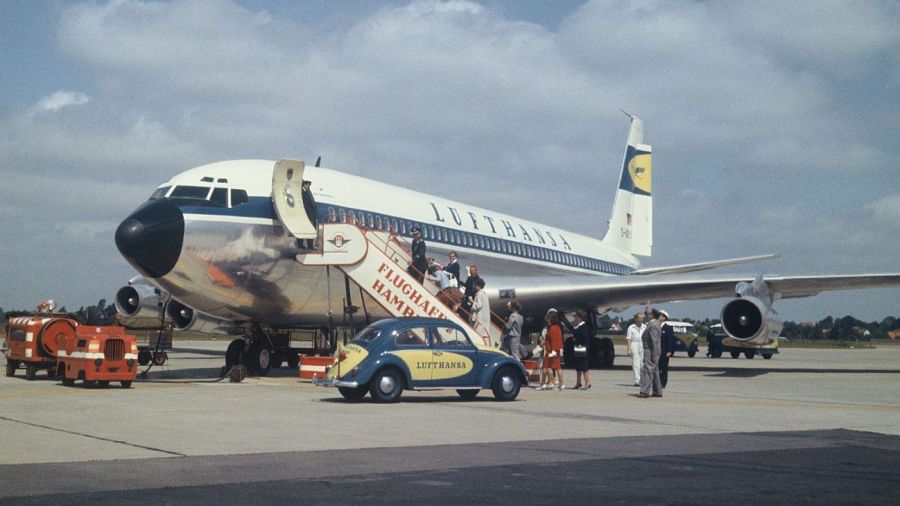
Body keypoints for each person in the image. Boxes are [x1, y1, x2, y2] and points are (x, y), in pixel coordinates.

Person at [639, 309, 665, 398]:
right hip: (653, 350)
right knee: (655, 371)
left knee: (647, 370)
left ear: (652, 315)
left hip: (650, 350)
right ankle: (657, 391)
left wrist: (654, 354)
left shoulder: (653, 325)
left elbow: (654, 340)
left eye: (648, 313)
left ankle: (645, 391)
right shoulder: (655, 323)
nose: (647, 315)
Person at [540, 311, 565, 390]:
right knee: (557, 367)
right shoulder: (557, 327)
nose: (547, 320)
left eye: (548, 319)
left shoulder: (552, 328)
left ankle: (550, 382)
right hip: (556, 349)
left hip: (551, 350)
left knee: (548, 366)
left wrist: (553, 351)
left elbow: (553, 340)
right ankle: (561, 384)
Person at [571, 309, 592, 390]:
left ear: (580, 318)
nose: (575, 319)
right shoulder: (578, 326)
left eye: (576, 317)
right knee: (578, 367)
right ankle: (578, 383)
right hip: (578, 349)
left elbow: (585, 338)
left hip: (583, 349)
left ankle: (587, 382)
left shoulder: (583, 327)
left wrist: (576, 339)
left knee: (584, 367)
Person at [625, 312, 646, 386]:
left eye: (642, 318)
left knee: (642, 363)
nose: (641, 320)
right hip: (634, 344)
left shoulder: (645, 327)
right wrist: (629, 349)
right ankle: (637, 380)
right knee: (636, 363)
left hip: (642, 344)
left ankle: (643, 380)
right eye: (639, 318)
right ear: (636, 319)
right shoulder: (631, 327)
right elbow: (629, 339)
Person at [469, 278, 491, 346]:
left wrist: (471, 301)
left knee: (478, 332)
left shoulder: (479, 294)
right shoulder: (484, 294)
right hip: (484, 317)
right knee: (484, 332)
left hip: (480, 317)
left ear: (479, 285)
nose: (474, 286)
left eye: (475, 285)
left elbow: (478, 305)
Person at [300, 180, 318, 249]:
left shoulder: (307, 192)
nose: (309, 186)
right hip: (306, 215)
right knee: (303, 230)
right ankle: (301, 244)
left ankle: (310, 245)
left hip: (311, 216)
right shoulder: (302, 192)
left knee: (310, 231)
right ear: (304, 185)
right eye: (308, 184)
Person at [659, 315, 676, 388]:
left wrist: (669, 351)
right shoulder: (656, 327)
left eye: (661, 316)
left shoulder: (668, 328)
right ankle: (656, 382)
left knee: (663, 368)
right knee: (656, 368)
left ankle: (663, 383)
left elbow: (670, 341)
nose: (659, 317)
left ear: (664, 318)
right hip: (656, 350)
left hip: (664, 351)